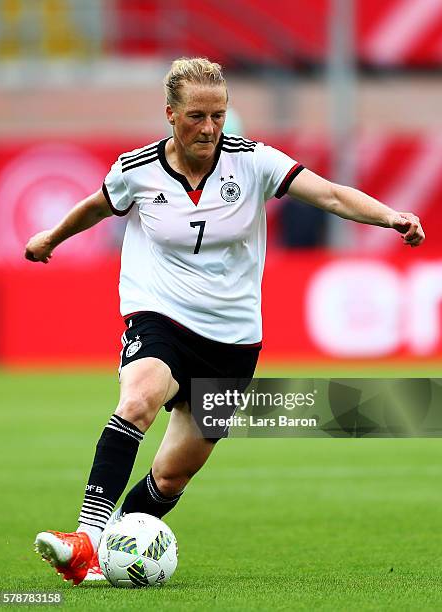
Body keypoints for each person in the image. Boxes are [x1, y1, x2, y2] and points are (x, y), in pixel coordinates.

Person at [25, 57, 425, 585]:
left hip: (233, 341)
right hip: (160, 316)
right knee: (138, 398)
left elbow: (329, 193)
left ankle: (106, 550)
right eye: (196, 115)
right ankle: (86, 537)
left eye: (218, 114)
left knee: (171, 476)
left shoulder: (254, 162)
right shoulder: (137, 170)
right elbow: (96, 207)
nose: (209, 127)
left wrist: (391, 216)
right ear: (170, 115)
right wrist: (51, 238)